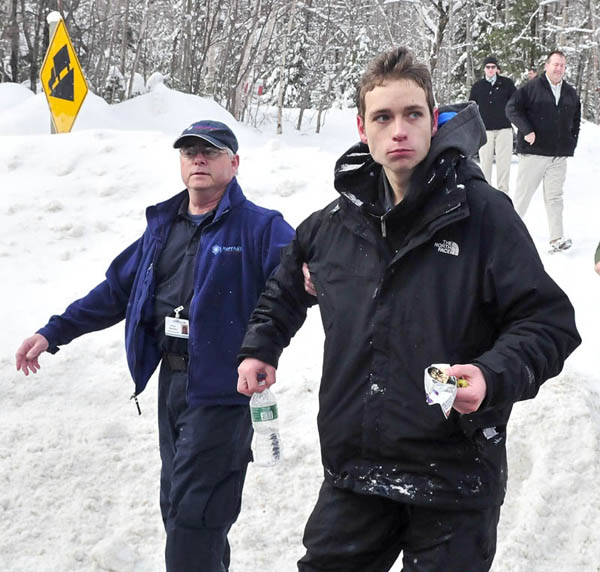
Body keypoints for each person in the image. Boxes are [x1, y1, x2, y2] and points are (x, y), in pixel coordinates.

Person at [237, 47, 581, 572]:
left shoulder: (484, 214)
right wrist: (262, 345)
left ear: (432, 119)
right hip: (357, 471)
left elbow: (548, 322)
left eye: (412, 114)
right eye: (383, 117)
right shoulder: (333, 224)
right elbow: (285, 286)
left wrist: (490, 376)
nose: (399, 130)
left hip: (455, 476)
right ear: (362, 128)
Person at [15, 120, 294, 572]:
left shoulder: (261, 228)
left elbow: (303, 281)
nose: (198, 159)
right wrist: (53, 332)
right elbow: (115, 291)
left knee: (195, 516)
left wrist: (271, 342)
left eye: (210, 151)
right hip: (172, 382)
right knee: (178, 507)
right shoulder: (164, 227)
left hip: (224, 390)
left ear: (234, 162)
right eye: (189, 152)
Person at [505, 50, 581, 253]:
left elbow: (575, 120)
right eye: (555, 64)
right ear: (546, 66)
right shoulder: (531, 88)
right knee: (523, 196)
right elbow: (511, 108)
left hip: (558, 155)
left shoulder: (570, 93)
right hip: (534, 153)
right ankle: (505, 235)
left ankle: (557, 239)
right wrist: (527, 130)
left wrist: (570, 144)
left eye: (562, 65)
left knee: (555, 198)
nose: (558, 68)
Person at [469, 56, 516, 194]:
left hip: (504, 129)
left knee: (504, 164)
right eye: (488, 67)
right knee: (485, 164)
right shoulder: (478, 87)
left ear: (497, 69)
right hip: (485, 130)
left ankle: (503, 193)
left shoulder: (507, 84)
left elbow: (516, 102)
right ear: (484, 69)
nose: (490, 69)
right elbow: (471, 107)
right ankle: (486, 193)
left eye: (493, 67)